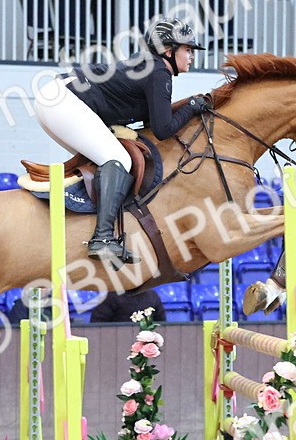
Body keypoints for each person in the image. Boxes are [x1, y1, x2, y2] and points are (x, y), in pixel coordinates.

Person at [33, 19, 212, 269]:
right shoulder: (159, 72)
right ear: (168, 51)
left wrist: (187, 105)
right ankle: (103, 237)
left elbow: (155, 120)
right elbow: (163, 130)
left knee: (105, 158)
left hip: (55, 98)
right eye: (188, 49)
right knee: (118, 159)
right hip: (64, 102)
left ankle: (94, 227)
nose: (192, 56)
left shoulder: (149, 65)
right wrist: (192, 107)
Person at [88, 288, 168, 324]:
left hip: (146, 345)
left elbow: (161, 323)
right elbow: (97, 324)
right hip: (115, 342)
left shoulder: (152, 295)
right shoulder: (111, 296)